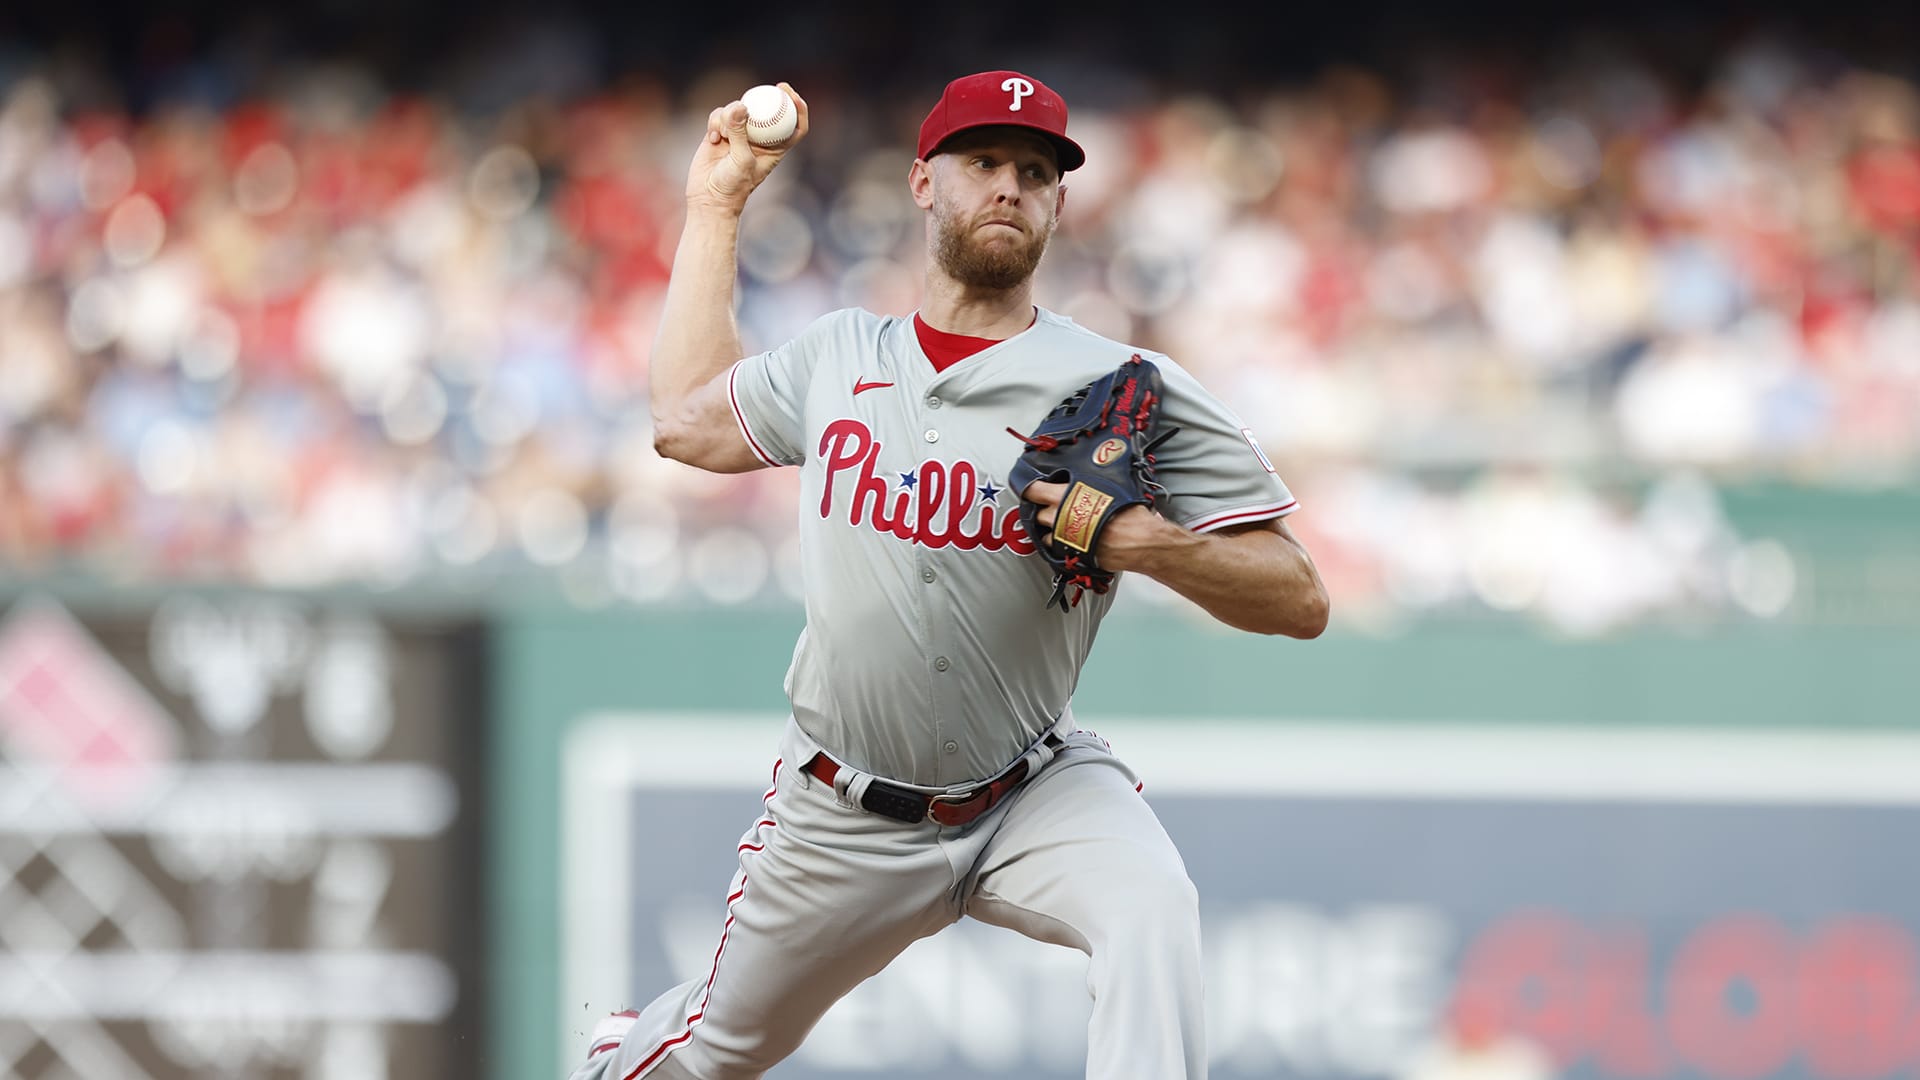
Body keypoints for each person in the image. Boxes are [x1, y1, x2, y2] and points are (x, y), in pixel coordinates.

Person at [572, 70, 1330, 1080]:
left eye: (1035, 171)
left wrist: (1146, 543)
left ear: (1059, 203)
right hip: (843, 816)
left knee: (1153, 905)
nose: (1010, 187)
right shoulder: (839, 356)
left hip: (1032, 791)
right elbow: (684, 423)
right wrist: (718, 203)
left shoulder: (1117, 388)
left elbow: (1301, 597)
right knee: (700, 1054)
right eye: (983, 164)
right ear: (924, 184)